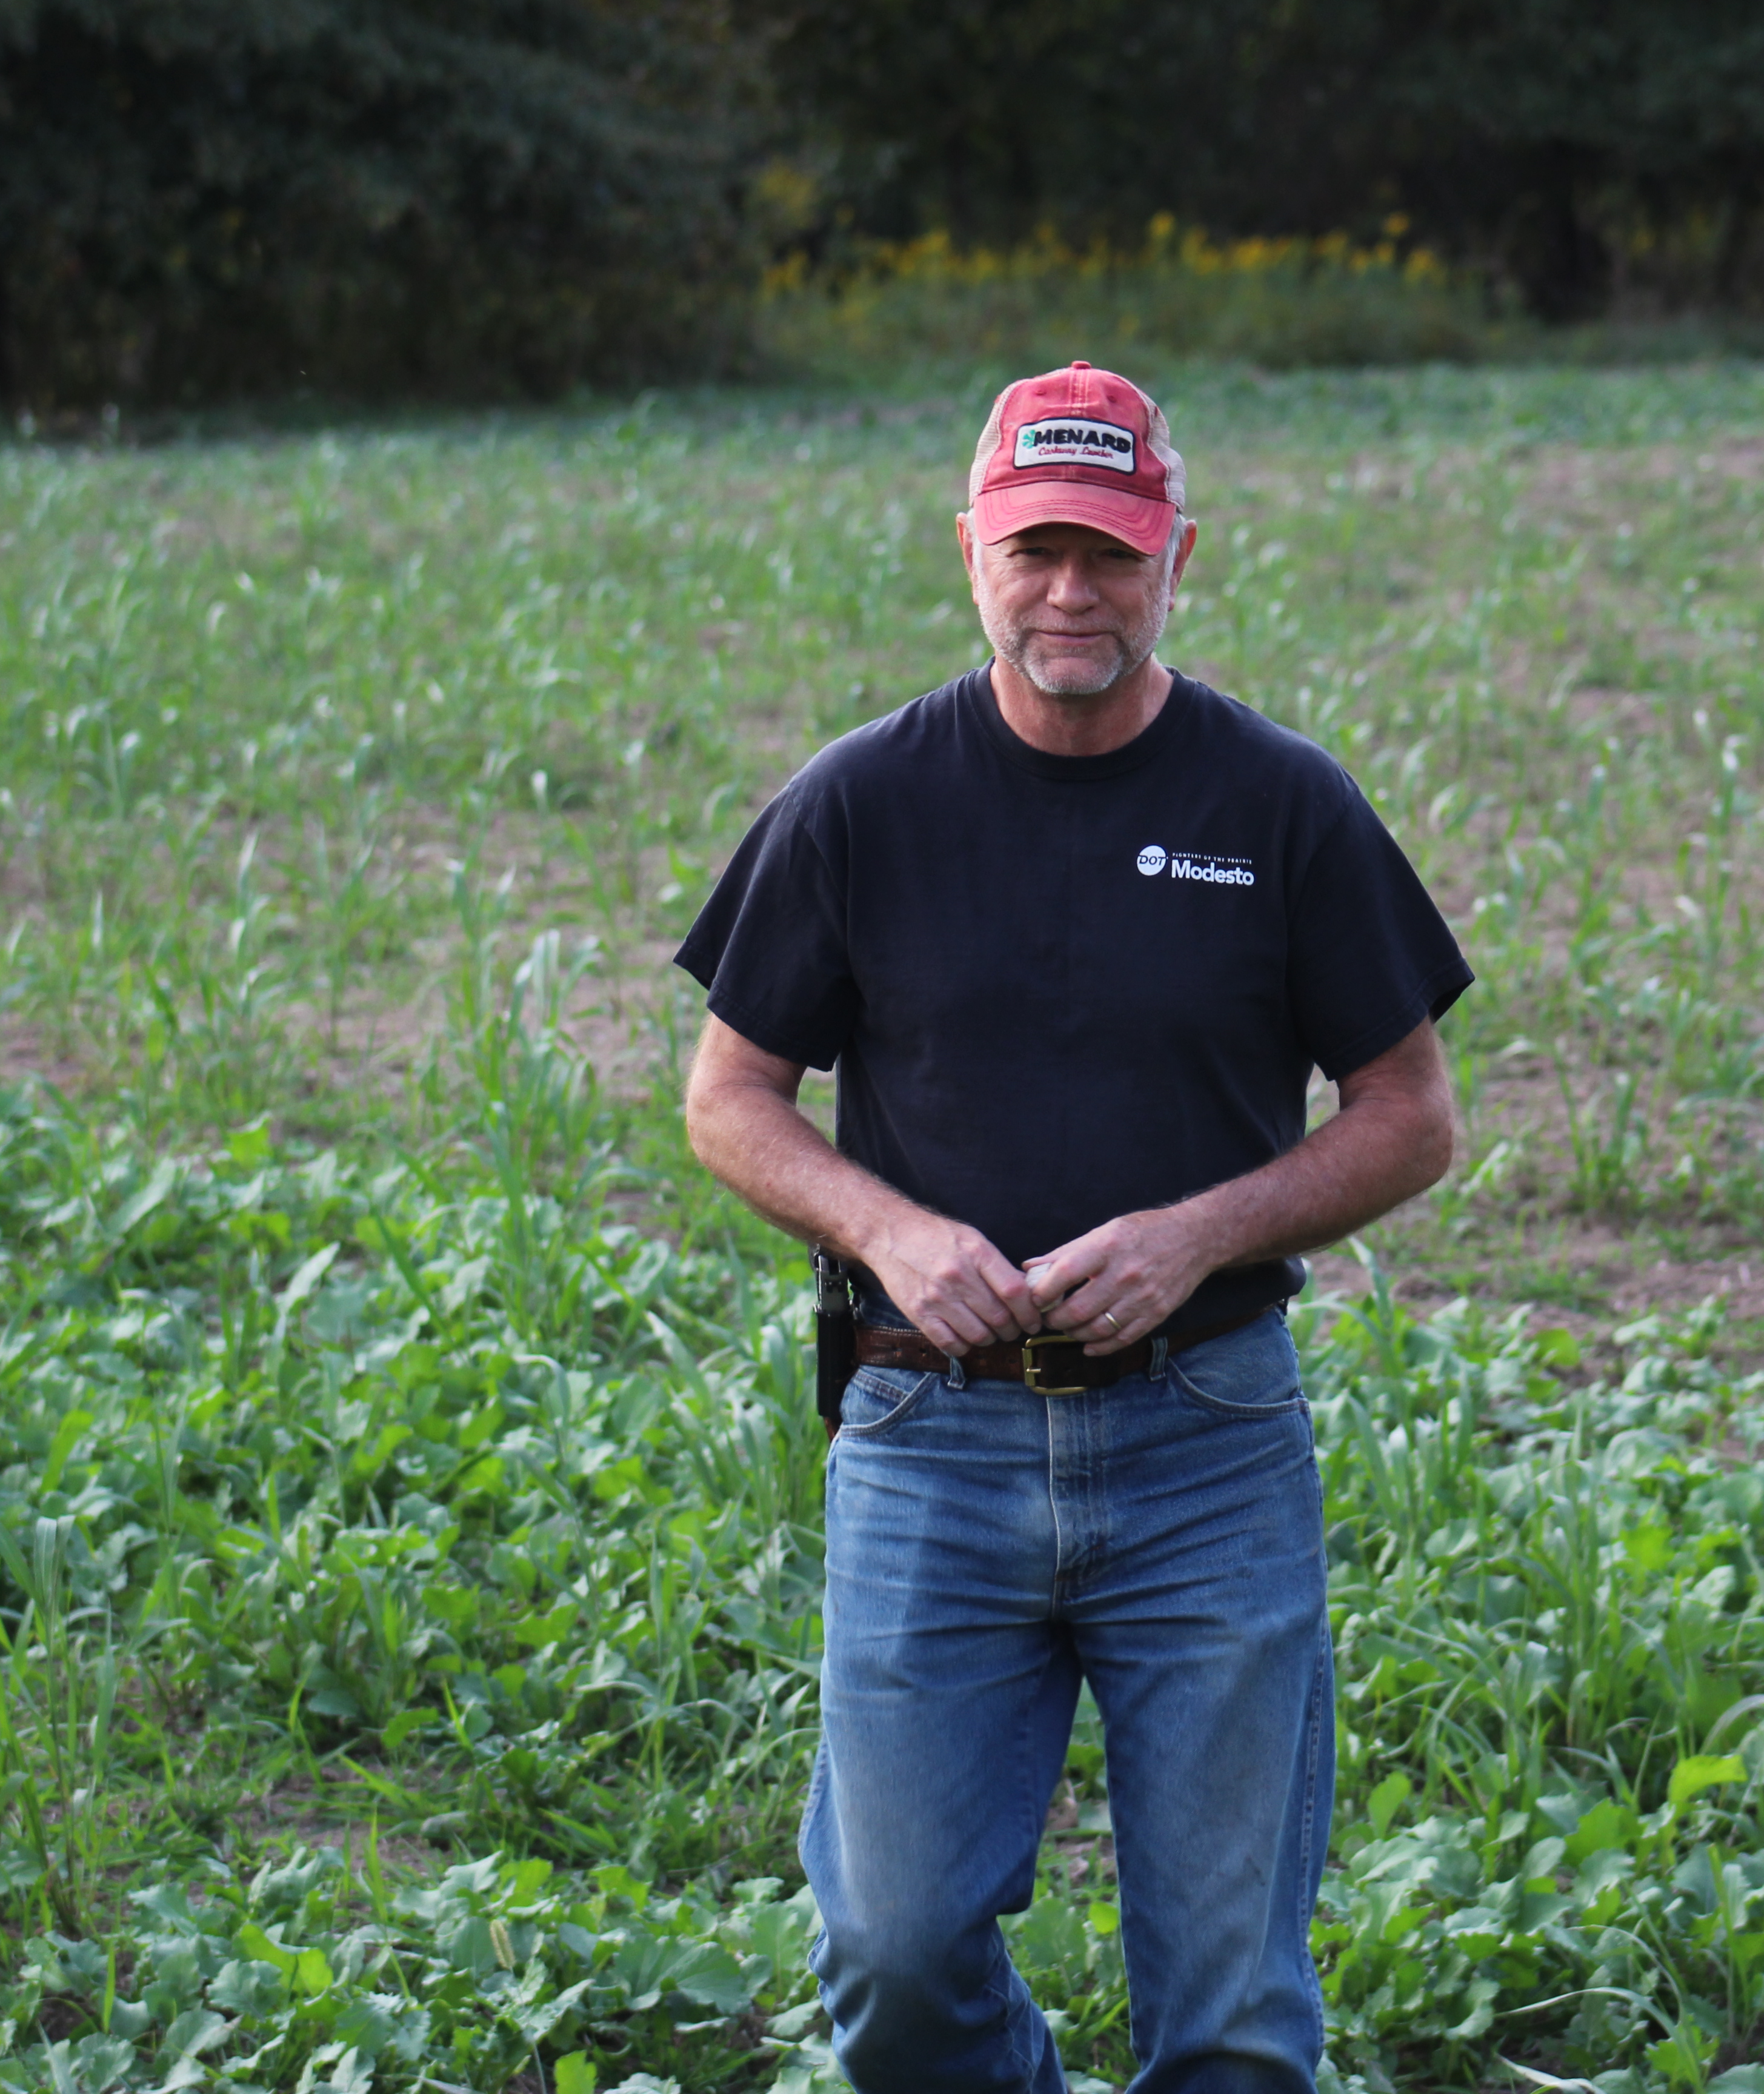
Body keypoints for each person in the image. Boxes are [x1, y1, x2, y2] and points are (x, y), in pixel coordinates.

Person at [676, 360, 1471, 2093]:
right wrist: (888, 1231)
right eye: (1034, 547)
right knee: (890, 1962)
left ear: (1180, 550)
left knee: (1239, 2025)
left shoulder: (1281, 806)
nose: (1068, 593)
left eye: (1109, 552)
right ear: (969, 546)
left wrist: (1199, 1234)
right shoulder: (861, 803)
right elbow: (726, 1099)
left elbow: (1413, 1115)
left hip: (1207, 1443)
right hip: (927, 1436)